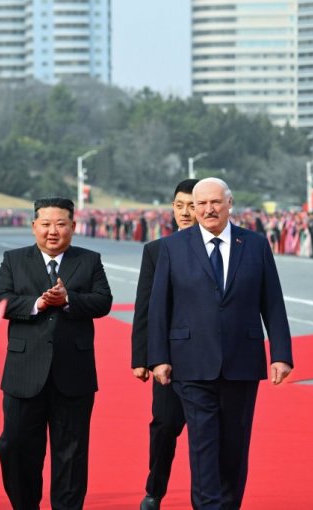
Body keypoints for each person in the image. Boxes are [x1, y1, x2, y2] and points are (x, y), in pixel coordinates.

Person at [148, 177, 293, 510]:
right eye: (201, 203)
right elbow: (158, 307)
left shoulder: (255, 245)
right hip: (191, 362)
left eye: (215, 202)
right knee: (203, 445)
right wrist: (158, 357)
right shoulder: (172, 247)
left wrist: (281, 354)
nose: (208, 209)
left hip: (242, 361)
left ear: (230, 203)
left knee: (234, 446)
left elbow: (272, 301)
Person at [0, 197, 113, 510]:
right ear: (34, 227)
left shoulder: (89, 260)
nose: (53, 231)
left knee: (71, 454)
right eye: (45, 224)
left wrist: (68, 299)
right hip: (24, 372)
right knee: (14, 445)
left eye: (60, 224)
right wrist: (39, 303)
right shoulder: (14, 260)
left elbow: (103, 301)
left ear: (73, 226)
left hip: (73, 372)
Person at [131, 179, 198, 510]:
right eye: (179, 205)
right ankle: (154, 492)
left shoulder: (223, 250)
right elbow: (144, 307)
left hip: (210, 358)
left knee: (207, 433)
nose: (185, 213)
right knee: (165, 426)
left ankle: (207, 498)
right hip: (169, 358)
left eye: (192, 206)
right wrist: (141, 358)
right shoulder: (156, 251)